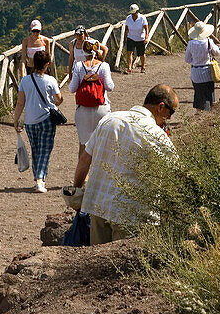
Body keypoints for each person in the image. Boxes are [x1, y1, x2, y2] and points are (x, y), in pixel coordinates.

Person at [72, 85, 178, 245]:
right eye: (171, 112)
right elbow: (176, 174)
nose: (169, 118)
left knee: (97, 265)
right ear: (161, 107)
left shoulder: (109, 119)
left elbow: (85, 159)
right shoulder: (157, 135)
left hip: (98, 205)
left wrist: (77, 192)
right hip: (132, 214)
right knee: (126, 266)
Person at [14, 51, 64, 193]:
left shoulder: (25, 81)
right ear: (47, 64)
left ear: (33, 63)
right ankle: (40, 180)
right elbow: (59, 99)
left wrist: (16, 119)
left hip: (30, 121)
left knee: (35, 150)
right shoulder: (51, 80)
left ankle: (38, 178)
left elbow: (20, 103)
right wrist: (56, 102)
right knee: (44, 151)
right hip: (46, 119)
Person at [68, 39, 113, 158]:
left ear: (83, 51)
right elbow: (109, 87)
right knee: (102, 143)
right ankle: (98, 173)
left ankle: (84, 175)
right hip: (101, 108)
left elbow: (72, 88)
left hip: (83, 110)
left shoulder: (78, 66)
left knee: (83, 144)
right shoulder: (104, 66)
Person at [184, 21, 220, 110]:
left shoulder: (191, 44)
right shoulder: (208, 42)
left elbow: (187, 59)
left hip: (195, 73)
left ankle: (199, 115)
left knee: (198, 95)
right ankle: (207, 115)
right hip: (207, 71)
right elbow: (217, 52)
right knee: (208, 96)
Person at [123, 4, 148, 74]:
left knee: (141, 53)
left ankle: (143, 67)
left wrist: (146, 37)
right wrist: (124, 39)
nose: (133, 15)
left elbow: (146, 28)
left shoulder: (142, 18)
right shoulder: (128, 18)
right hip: (131, 37)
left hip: (140, 38)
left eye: (134, 13)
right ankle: (129, 67)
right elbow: (126, 29)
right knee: (129, 52)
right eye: (132, 13)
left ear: (137, 12)